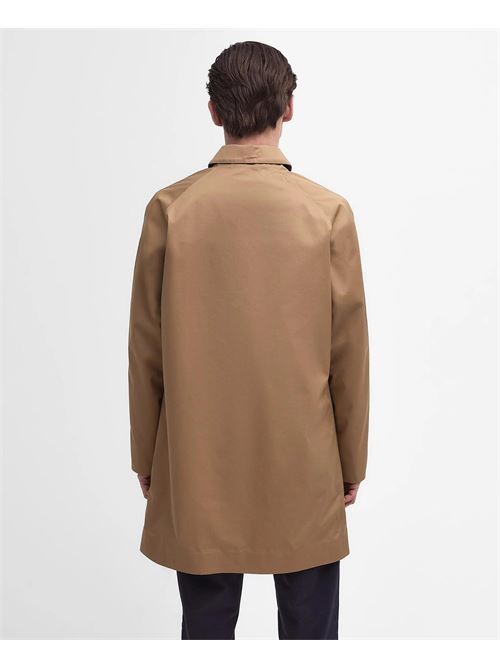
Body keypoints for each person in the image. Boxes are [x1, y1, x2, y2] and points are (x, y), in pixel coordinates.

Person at [128, 40, 369, 640]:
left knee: (206, 631)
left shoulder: (171, 209)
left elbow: (145, 350)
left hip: (196, 459)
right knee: (311, 636)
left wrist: (147, 455)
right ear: (289, 108)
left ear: (214, 111)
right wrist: (351, 458)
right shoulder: (327, 212)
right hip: (305, 460)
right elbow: (349, 354)